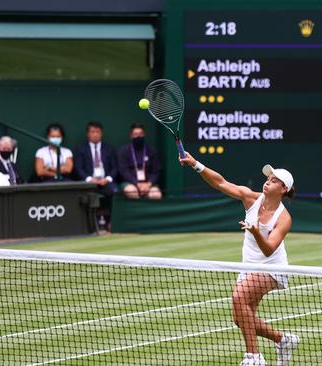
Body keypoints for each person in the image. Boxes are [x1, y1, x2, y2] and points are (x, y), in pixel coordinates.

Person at [179, 152, 299, 366]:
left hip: (272, 268)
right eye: (267, 179)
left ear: (284, 189)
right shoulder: (251, 198)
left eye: (274, 181)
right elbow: (220, 183)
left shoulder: (284, 219)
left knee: (238, 298)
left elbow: (269, 250)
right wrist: (195, 164)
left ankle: (254, 357)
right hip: (248, 266)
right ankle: (283, 340)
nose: (267, 183)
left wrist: (255, 232)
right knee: (240, 318)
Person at [74, 121, 118, 227]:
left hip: (105, 182)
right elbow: (78, 168)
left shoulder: (109, 149)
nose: (95, 134)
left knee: (115, 191)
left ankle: (113, 222)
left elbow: (115, 168)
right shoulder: (81, 150)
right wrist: (90, 179)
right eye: (92, 132)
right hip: (89, 183)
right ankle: (88, 224)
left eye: (97, 132)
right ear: (88, 134)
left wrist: (107, 179)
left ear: (101, 133)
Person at [117, 123, 161, 199]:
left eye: (141, 134)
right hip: (130, 183)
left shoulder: (151, 150)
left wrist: (149, 184)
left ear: (144, 135)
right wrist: (137, 184)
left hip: (148, 183)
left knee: (156, 195)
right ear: (131, 136)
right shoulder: (124, 151)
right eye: (136, 134)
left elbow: (156, 171)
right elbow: (124, 171)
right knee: (132, 192)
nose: (138, 136)